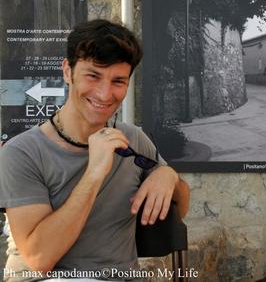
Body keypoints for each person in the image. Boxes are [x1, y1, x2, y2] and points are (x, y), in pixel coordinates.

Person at [0, 19, 190, 281]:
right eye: (93, 76)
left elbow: (178, 211)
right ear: (68, 72)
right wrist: (94, 173)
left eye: (118, 81)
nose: (104, 93)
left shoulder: (132, 139)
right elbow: (40, 258)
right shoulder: (21, 153)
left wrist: (168, 176)